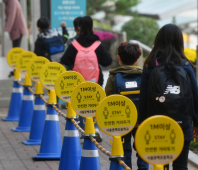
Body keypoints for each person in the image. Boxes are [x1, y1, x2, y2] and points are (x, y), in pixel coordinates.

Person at [138, 24, 198, 170]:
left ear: (158, 40)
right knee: (181, 165)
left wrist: (141, 124)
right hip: (182, 125)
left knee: (160, 163)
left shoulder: (150, 65)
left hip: (156, 124)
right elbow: (195, 96)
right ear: (179, 41)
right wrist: (196, 123)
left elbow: (144, 98)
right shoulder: (185, 65)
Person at [60, 16, 112, 142]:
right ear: (92, 27)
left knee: (82, 105)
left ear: (79, 28)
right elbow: (107, 61)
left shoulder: (75, 44)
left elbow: (64, 60)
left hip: (79, 81)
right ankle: (96, 128)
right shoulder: (97, 44)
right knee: (96, 104)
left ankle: (86, 131)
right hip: (96, 80)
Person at [105, 42, 149, 170]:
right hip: (141, 119)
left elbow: (107, 98)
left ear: (119, 58)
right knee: (142, 149)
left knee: (124, 151)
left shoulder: (113, 76)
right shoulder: (144, 75)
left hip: (121, 121)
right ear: (137, 59)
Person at [1, 0, 28, 77]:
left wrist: (7, 30)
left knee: (16, 50)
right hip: (16, 28)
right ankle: (16, 69)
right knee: (16, 50)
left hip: (17, 29)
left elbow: (11, 16)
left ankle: (17, 69)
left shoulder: (12, 1)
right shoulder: (9, 2)